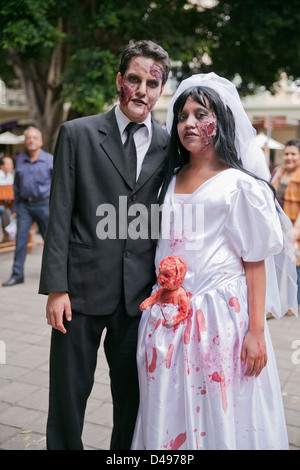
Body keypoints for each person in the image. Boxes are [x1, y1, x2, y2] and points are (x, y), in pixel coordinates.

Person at [131, 73, 298, 451]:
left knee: (221, 409)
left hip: (222, 321)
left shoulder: (240, 186)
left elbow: (254, 261)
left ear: (219, 121)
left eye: (200, 114)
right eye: (182, 115)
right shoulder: (167, 181)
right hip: (167, 321)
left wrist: (256, 332)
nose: (189, 123)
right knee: (169, 411)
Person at [38, 40, 171, 450]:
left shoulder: (170, 146)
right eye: (134, 79)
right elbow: (59, 215)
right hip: (78, 291)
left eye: (152, 82)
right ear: (119, 81)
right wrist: (56, 288)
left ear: (160, 89)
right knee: (67, 396)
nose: (142, 90)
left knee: (132, 403)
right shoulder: (77, 134)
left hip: (139, 299)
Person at [2, 127, 53, 286]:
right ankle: (17, 275)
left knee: (51, 241)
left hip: (44, 204)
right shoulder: (21, 162)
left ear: (40, 141)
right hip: (24, 206)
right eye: (28, 138)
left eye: (34, 138)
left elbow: (59, 184)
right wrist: (16, 209)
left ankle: (55, 276)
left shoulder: (50, 160)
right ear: (25, 142)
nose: (31, 140)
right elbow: (16, 187)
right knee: (20, 240)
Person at [271, 139, 300, 309]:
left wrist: (295, 230)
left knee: (295, 268)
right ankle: (273, 306)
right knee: (275, 266)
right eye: (286, 154)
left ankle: (294, 304)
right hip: (277, 229)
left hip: (295, 229)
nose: (289, 157)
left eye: (293, 154)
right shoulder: (278, 172)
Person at [0, 156, 14, 237]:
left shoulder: (10, 176)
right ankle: (6, 235)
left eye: (11, 164)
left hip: (7, 203)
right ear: (1, 166)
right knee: (5, 211)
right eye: (8, 164)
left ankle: (12, 234)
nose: (11, 166)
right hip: (2, 205)